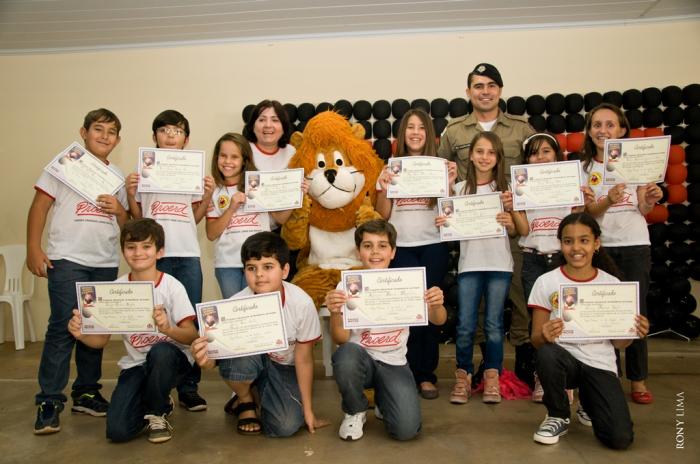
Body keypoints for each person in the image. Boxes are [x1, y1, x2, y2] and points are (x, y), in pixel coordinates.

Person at [27, 108, 129, 435]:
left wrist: (120, 210)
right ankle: (49, 400)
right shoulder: (65, 164)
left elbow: (128, 226)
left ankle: (87, 391)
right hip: (67, 258)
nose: (104, 136)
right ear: (83, 132)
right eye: (98, 129)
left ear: (118, 140)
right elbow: (40, 206)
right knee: (63, 326)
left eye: (111, 132)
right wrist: (33, 248)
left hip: (104, 261)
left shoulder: (117, 176)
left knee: (94, 329)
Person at [438, 63, 536, 384]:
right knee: (474, 308)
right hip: (472, 234)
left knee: (519, 296)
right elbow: (443, 178)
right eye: (478, 86)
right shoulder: (454, 131)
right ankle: (480, 364)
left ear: (500, 91)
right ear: (468, 92)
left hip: (512, 225)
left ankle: (524, 357)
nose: (485, 91)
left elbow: (537, 172)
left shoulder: (522, 129)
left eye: (491, 85)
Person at [67, 219, 198, 444]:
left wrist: (167, 328)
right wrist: (81, 335)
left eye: (146, 246)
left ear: (160, 252)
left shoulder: (172, 286)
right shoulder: (114, 289)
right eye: (131, 247)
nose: (138, 253)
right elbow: (100, 342)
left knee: (161, 352)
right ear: (123, 251)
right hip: (136, 364)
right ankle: (157, 400)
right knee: (118, 431)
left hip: (172, 362)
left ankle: (157, 412)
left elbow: (192, 336)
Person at [529, 212, 649, 449]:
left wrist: (631, 332)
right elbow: (535, 340)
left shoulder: (612, 285)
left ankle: (589, 401)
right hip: (564, 362)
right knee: (546, 353)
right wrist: (545, 334)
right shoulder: (546, 282)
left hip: (599, 364)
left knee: (620, 439)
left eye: (584, 240)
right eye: (568, 241)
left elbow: (618, 345)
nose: (576, 248)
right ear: (560, 244)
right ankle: (558, 415)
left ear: (596, 243)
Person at [191, 232, 327, 437]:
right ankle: (245, 399)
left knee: (286, 426)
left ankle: (257, 391)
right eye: (251, 268)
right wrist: (204, 358)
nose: (259, 274)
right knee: (239, 356)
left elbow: (304, 359)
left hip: (285, 367)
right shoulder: (233, 306)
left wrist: (308, 411)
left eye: (268, 267)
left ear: (285, 270)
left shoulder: (301, 303)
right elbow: (219, 360)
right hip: (250, 361)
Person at [325, 219, 447, 441]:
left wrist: (436, 304)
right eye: (367, 245)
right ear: (358, 251)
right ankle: (355, 410)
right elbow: (341, 338)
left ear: (393, 252)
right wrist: (335, 312)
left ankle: (384, 399)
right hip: (360, 359)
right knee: (345, 356)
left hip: (395, 363)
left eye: (382, 245)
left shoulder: (409, 282)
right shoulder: (347, 287)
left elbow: (439, 321)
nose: (375, 252)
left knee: (406, 431)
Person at [126, 110, 213, 412]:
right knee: (153, 318)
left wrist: (207, 196)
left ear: (186, 139)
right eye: (164, 130)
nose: (170, 135)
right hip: (155, 257)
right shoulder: (144, 172)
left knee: (190, 322)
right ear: (155, 138)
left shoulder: (191, 172)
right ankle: (157, 382)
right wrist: (129, 190)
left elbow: (195, 218)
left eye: (177, 131)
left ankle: (189, 387)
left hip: (187, 253)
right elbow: (138, 222)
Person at [580, 103, 662, 404]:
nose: (603, 130)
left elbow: (643, 207)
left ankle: (638, 380)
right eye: (597, 125)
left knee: (635, 313)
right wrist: (608, 201)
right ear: (589, 131)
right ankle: (610, 374)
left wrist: (651, 199)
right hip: (600, 247)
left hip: (635, 244)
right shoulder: (584, 168)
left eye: (610, 125)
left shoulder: (636, 164)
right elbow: (589, 213)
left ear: (622, 129)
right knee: (605, 311)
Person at [375, 109, 456, 399]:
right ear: (402, 134)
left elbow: (451, 214)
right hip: (402, 248)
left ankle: (426, 375)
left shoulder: (441, 168)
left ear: (430, 135)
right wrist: (383, 186)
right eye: (410, 127)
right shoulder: (390, 168)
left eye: (421, 127)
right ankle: (404, 371)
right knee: (407, 312)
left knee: (429, 309)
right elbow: (383, 215)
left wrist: (449, 184)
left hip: (433, 246)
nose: (415, 132)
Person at [510, 133, 594, 396]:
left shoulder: (572, 179)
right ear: (526, 159)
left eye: (546, 151)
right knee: (540, 323)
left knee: (567, 318)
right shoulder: (522, 184)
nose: (540, 157)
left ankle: (567, 379)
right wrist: (514, 204)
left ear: (557, 155)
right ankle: (542, 377)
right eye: (534, 153)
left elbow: (578, 221)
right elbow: (521, 230)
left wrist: (584, 202)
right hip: (533, 257)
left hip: (562, 259)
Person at [436, 132, 515, 404]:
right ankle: (463, 376)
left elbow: (516, 229)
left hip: (499, 265)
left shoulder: (505, 190)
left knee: (494, 325)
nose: (485, 157)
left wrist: (509, 218)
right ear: (470, 155)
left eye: (491, 152)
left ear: (498, 157)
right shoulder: (459, 190)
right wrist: (443, 222)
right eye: (480, 151)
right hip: (469, 265)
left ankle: (492, 376)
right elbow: (447, 223)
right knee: (465, 325)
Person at [206, 132, 299, 298]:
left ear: (244, 160)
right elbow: (211, 233)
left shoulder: (259, 184)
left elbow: (281, 219)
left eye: (234, 157)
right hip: (228, 264)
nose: (228, 162)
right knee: (237, 312)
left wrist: (296, 194)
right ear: (216, 158)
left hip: (261, 263)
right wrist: (231, 208)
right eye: (223, 156)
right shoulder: (214, 191)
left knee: (263, 311)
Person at [242, 99, 296, 172]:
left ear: (284, 127)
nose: (268, 125)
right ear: (253, 126)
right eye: (262, 120)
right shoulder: (243, 151)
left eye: (275, 120)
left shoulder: (291, 152)